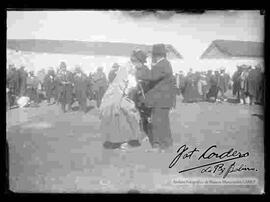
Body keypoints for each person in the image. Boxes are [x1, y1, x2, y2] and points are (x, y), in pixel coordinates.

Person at [99, 62, 142, 150]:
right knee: (127, 118)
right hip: (118, 100)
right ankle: (129, 140)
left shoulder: (122, 77)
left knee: (121, 119)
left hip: (116, 100)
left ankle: (122, 140)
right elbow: (127, 89)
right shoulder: (127, 77)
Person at [143, 44, 175, 151]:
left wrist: (139, 71)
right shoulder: (165, 64)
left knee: (157, 122)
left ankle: (158, 144)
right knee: (164, 123)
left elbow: (151, 76)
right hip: (164, 99)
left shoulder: (161, 65)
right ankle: (166, 143)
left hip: (160, 99)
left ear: (156, 55)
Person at [129, 49, 153, 145]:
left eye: (136, 62)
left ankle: (149, 135)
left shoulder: (146, 70)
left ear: (141, 62)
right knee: (140, 117)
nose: (134, 64)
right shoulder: (136, 70)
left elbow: (150, 83)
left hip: (146, 98)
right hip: (137, 98)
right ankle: (144, 134)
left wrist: (142, 82)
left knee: (147, 117)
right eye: (133, 62)